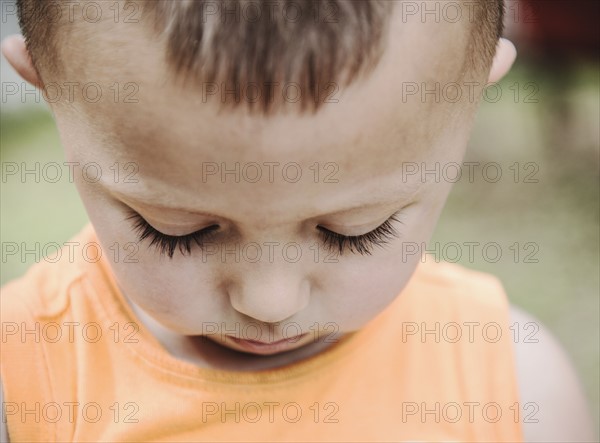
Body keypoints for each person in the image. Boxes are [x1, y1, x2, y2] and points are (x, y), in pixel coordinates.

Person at [0, 1, 594, 441]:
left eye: (357, 232)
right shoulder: (21, 381)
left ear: (475, 91)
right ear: (49, 85)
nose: (269, 302)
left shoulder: (512, 389)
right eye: (174, 232)